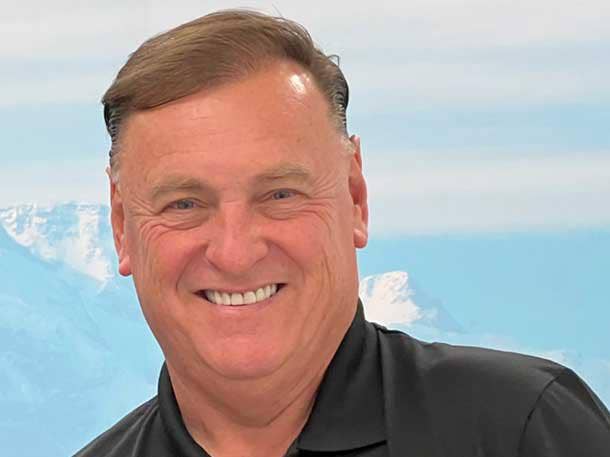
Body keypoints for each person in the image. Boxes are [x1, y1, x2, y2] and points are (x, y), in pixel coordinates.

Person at [75, 9, 610, 457]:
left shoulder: (520, 430)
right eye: (185, 204)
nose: (235, 253)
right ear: (122, 227)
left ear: (355, 197)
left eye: (280, 195)